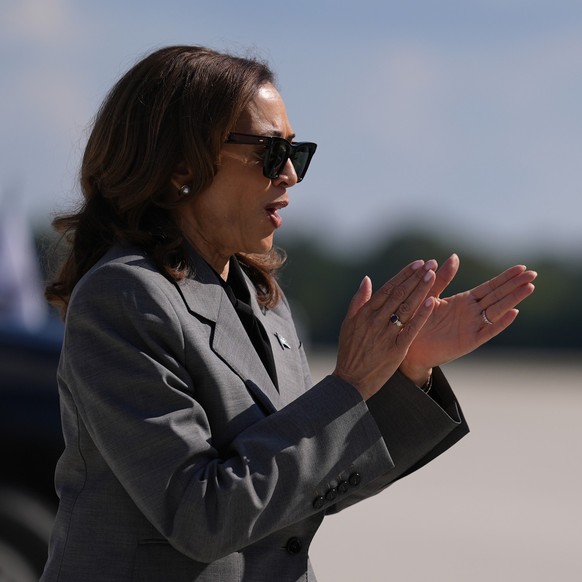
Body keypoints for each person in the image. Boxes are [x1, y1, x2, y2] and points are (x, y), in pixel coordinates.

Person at [40, 45, 536, 582]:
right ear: (180, 164)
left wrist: (407, 368)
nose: (291, 176)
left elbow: (303, 486)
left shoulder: (263, 298)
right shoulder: (125, 296)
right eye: (271, 153)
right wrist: (349, 385)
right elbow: (200, 514)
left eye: (297, 154)